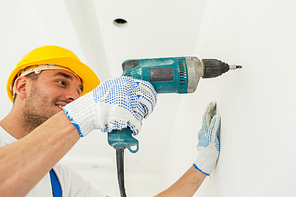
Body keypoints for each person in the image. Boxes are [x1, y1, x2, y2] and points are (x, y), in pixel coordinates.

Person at [0, 45, 220, 197]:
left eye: (79, 93)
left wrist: (202, 165)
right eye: (61, 82)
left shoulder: (59, 179)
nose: (74, 97)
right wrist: (83, 114)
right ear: (22, 86)